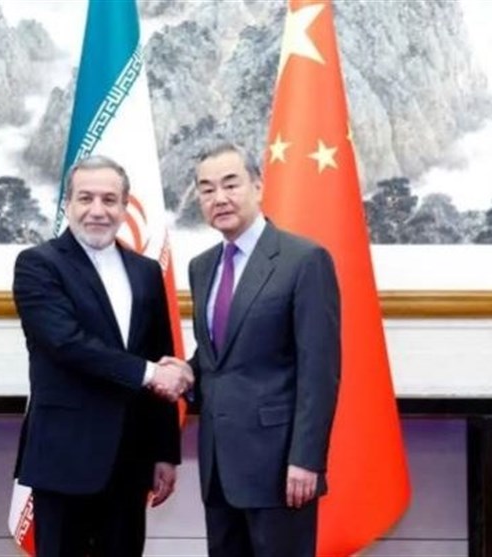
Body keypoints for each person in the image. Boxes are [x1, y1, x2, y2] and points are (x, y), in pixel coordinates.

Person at [12, 154, 194, 557]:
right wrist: (151, 373)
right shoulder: (38, 265)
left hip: (131, 460)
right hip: (64, 458)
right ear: (68, 204)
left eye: (109, 200)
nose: (97, 210)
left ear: (125, 206)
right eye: (86, 198)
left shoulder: (146, 271)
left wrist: (165, 452)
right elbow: (66, 343)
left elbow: (160, 353)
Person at [186, 142, 341, 557]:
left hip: (279, 466)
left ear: (258, 186)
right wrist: (183, 373)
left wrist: (307, 459)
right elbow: (217, 357)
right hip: (219, 466)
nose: (219, 198)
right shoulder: (201, 267)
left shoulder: (304, 260)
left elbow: (319, 371)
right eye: (206, 189)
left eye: (230, 184)